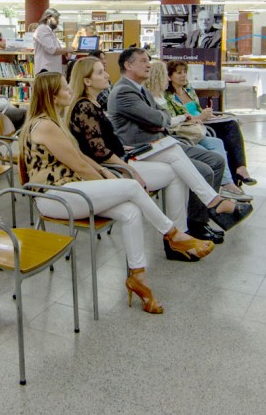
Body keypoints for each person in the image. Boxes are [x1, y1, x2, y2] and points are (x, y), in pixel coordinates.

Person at [21, 73, 214, 314]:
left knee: (131, 211)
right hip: (55, 195)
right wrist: (111, 184)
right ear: (52, 95)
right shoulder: (45, 125)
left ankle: (138, 277)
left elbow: (81, 158)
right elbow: (80, 166)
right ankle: (172, 234)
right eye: (64, 89)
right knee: (131, 187)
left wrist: (106, 175)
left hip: (70, 189)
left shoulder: (54, 122)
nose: (70, 91)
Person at [108, 48, 251, 242]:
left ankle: (203, 216)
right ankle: (199, 221)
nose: (148, 64)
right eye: (143, 61)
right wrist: (161, 118)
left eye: (148, 60)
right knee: (205, 170)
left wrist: (161, 118)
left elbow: (162, 116)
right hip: (144, 148)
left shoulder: (141, 89)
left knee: (216, 160)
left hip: (163, 142)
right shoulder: (124, 91)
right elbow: (158, 118)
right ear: (128, 65)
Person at [155, 59, 254, 202]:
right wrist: (200, 117)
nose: (183, 76)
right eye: (179, 73)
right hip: (190, 128)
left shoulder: (188, 89)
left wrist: (206, 115)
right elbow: (175, 119)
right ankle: (234, 175)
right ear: (169, 76)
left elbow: (197, 109)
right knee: (226, 134)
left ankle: (234, 175)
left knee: (231, 125)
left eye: (184, 72)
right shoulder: (167, 96)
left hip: (202, 124)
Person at [33, 8, 70, 74]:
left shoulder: (50, 31)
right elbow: (52, 49)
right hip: (45, 70)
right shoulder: (42, 30)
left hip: (52, 69)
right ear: (48, 18)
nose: (58, 21)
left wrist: (64, 51)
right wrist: (67, 50)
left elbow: (57, 47)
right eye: (56, 19)